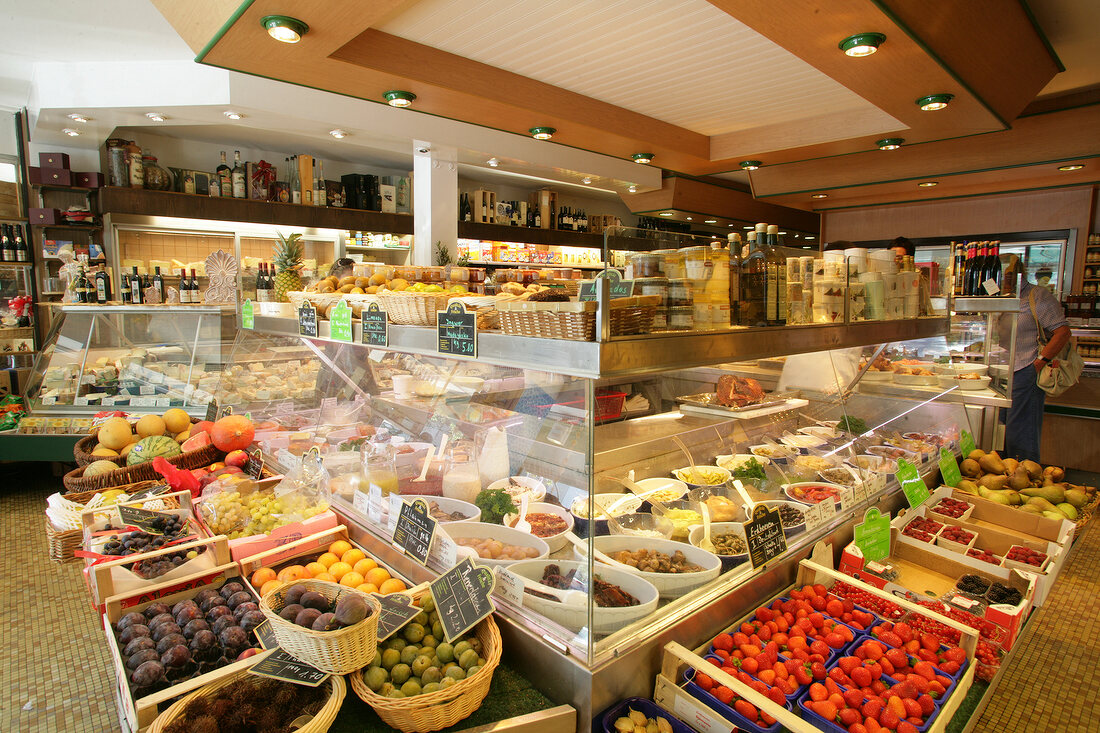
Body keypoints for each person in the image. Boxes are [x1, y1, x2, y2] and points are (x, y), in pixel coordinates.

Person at [999, 278, 1071, 462]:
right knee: (999, 431)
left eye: (1008, 275)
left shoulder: (1036, 295)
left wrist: (1038, 364)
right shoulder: (998, 295)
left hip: (1025, 369)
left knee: (1021, 432)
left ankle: (1024, 479)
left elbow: (1062, 332)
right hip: (999, 371)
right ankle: (1002, 476)